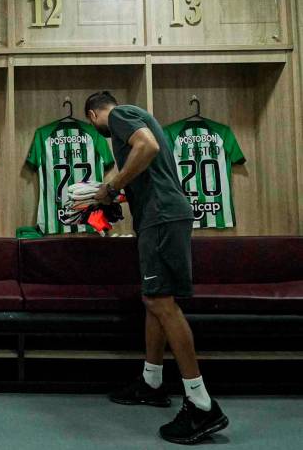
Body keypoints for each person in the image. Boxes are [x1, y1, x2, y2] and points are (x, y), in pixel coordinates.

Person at [84, 91, 229, 445]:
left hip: (162, 216)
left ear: (92, 115)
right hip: (158, 215)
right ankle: (151, 382)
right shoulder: (131, 124)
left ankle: (201, 403)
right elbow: (143, 164)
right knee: (154, 299)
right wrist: (113, 196)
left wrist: (111, 187)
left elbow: (145, 148)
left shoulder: (119, 116)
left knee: (164, 304)